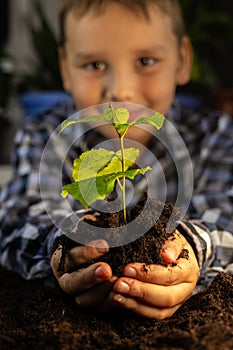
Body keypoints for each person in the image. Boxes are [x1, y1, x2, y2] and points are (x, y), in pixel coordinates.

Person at [0, 0, 232, 320]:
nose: (121, 90)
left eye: (146, 60)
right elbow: (17, 218)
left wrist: (192, 248)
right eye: (94, 65)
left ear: (182, 60)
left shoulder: (215, 136)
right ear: (66, 69)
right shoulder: (45, 135)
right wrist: (65, 248)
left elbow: (226, 220)